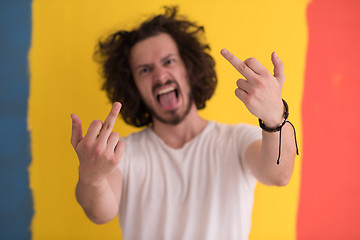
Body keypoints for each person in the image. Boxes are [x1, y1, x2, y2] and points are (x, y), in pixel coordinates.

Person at [70, 6, 298, 240]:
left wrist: (274, 116)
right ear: (134, 86)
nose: (160, 76)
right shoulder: (123, 153)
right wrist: (92, 177)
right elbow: (100, 213)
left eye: (168, 61)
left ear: (189, 68)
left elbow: (279, 176)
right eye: (145, 70)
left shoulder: (236, 140)